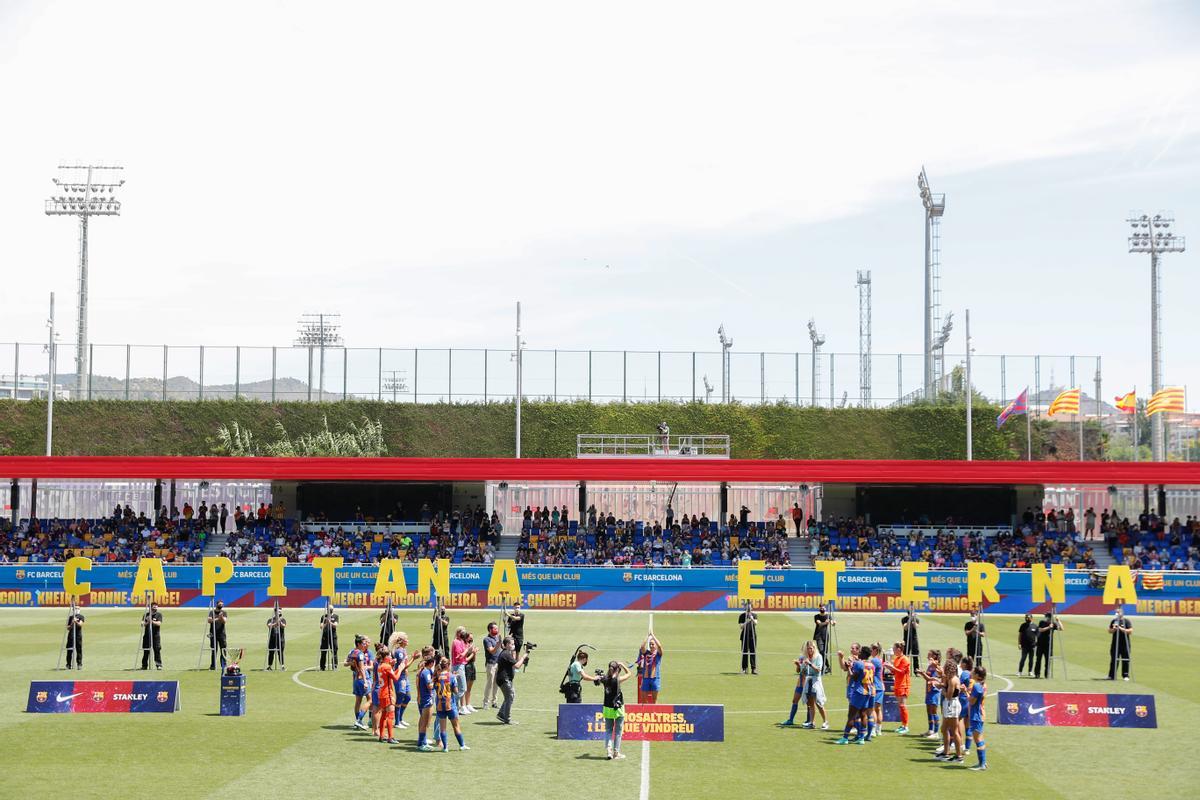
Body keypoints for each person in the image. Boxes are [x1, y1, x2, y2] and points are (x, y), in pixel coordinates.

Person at [588, 660, 633, 760]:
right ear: (617, 669)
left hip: (607, 708)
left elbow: (597, 680)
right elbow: (629, 673)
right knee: (618, 731)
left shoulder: (605, 679)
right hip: (618, 708)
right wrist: (623, 665)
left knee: (608, 731)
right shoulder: (618, 679)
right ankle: (616, 752)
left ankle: (609, 751)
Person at [782, 640, 827, 729]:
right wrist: (798, 665)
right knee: (796, 700)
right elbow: (800, 671)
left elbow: (818, 670)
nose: (808, 650)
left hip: (813, 682)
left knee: (813, 703)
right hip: (802, 682)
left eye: (810, 648)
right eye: (807, 648)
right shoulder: (802, 657)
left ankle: (810, 721)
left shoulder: (818, 657)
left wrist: (809, 664)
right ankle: (791, 720)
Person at [835, 645, 875, 745]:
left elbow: (855, 677)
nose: (859, 653)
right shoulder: (871, 664)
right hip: (868, 691)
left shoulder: (859, 663)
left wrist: (849, 668)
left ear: (863, 654)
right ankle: (861, 738)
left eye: (860, 652)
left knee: (851, 715)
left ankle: (845, 738)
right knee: (863, 714)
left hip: (859, 691)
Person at [434, 655, 469, 751]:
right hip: (450, 705)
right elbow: (456, 691)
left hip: (440, 705)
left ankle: (445, 747)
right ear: (448, 665)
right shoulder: (452, 677)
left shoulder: (437, 677)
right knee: (456, 726)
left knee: (443, 728)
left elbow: (435, 688)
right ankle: (462, 745)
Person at [495, 635, 528, 725]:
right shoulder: (505, 654)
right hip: (504, 679)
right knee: (509, 697)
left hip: (505, 679)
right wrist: (523, 657)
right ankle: (507, 719)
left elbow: (515, 664)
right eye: (512, 644)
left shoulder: (506, 653)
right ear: (507, 645)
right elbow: (517, 666)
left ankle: (501, 714)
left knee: (510, 696)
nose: (514, 645)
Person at [345, 635, 373, 730]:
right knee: (370, 700)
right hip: (361, 679)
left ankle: (358, 721)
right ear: (358, 644)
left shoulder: (352, 652)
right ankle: (359, 720)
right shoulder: (360, 654)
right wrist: (365, 681)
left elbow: (345, 663)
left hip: (356, 680)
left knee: (358, 701)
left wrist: (351, 663)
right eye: (363, 643)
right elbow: (362, 669)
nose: (365, 644)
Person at [883, 641, 911, 734]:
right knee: (900, 706)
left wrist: (892, 667)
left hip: (903, 685)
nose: (893, 651)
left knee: (903, 705)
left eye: (894, 649)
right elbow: (895, 672)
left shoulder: (905, 659)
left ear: (899, 649)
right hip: (897, 684)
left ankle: (906, 726)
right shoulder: (897, 659)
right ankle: (903, 725)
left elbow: (902, 672)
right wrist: (889, 667)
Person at [388, 631, 413, 729]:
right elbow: (404, 666)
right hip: (400, 677)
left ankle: (400, 719)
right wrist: (413, 659)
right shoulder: (399, 652)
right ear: (402, 641)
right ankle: (397, 722)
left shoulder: (403, 650)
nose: (408, 640)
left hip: (404, 677)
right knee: (400, 698)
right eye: (406, 639)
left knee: (408, 697)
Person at [967, 664, 988, 771]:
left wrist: (965, 692)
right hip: (979, 714)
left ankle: (982, 764)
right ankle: (983, 762)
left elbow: (972, 701)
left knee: (978, 739)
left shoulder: (976, 686)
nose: (971, 672)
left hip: (976, 715)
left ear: (977, 675)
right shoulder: (982, 685)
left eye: (973, 672)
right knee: (980, 738)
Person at [375, 646, 398, 744]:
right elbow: (395, 678)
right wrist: (400, 668)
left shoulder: (380, 666)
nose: (390, 657)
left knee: (384, 715)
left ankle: (381, 736)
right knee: (390, 715)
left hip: (381, 693)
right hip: (387, 693)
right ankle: (390, 737)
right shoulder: (387, 667)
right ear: (386, 657)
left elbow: (389, 675)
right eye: (389, 655)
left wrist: (392, 666)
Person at [416, 646, 437, 750]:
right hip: (427, 699)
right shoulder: (426, 672)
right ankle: (422, 744)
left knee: (424, 722)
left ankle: (421, 742)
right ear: (431, 663)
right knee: (425, 722)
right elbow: (430, 686)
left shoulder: (422, 671)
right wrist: (436, 681)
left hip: (423, 698)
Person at [920, 649, 942, 739]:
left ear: (934, 656)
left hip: (935, 691)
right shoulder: (930, 666)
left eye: (929, 655)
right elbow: (928, 678)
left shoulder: (938, 666)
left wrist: (934, 664)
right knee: (929, 710)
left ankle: (936, 732)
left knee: (934, 711)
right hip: (929, 691)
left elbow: (935, 677)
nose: (927, 656)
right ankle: (930, 730)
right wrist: (922, 673)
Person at [1033, 612, 1063, 678]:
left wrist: (1058, 621)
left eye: (1046, 616)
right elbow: (1040, 630)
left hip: (1048, 645)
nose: (1045, 617)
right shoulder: (1042, 622)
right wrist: (1049, 627)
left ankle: (1047, 674)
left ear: (1049, 617)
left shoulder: (1053, 624)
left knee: (1048, 661)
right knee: (1038, 660)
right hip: (1040, 644)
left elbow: (1061, 628)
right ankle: (1037, 674)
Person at [636, 634, 664, 703]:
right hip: (645, 679)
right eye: (650, 644)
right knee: (643, 700)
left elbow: (660, 646)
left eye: (653, 644)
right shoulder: (646, 653)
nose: (651, 646)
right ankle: (646, 712)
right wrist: (648, 636)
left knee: (654, 700)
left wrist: (653, 636)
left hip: (655, 678)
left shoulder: (658, 654)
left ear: (656, 646)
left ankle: (654, 712)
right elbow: (642, 646)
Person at [1108, 609, 1133, 680]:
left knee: (1125, 659)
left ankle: (1125, 675)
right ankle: (1111, 675)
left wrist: (1121, 628)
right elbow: (1109, 631)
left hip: (1125, 643)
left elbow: (1130, 631)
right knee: (1114, 659)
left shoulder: (1126, 621)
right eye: (1116, 612)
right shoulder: (1114, 621)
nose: (1117, 613)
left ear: (1122, 613)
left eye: (1118, 612)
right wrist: (1114, 629)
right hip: (1115, 643)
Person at [482, 622, 501, 709]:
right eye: (495, 629)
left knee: (496, 683)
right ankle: (486, 702)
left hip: (498, 663)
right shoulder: (487, 639)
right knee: (489, 683)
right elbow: (492, 651)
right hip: (491, 664)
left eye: (497, 628)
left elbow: (502, 647)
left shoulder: (497, 637)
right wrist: (498, 643)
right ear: (490, 630)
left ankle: (494, 701)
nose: (497, 630)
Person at [868, 643, 885, 739]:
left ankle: (873, 729)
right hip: (880, 686)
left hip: (875, 686)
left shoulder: (874, 660)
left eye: (871, 649)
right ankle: (879, 729)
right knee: (878, 709)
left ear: (875, 650)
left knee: (873, 709)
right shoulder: (880, 660)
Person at [140, 602, 163, 670]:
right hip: (147, 636)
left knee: (157, 650)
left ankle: (158, 665)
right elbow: (142, 624)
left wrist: (152, 621)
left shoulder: (159, 614)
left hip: (155, 636)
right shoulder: (146, 614)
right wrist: (147, 621)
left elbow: (159, 623)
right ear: (151, 608)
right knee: (146, 651)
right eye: (154, 606)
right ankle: (144, 665)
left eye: (156, 606)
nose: (155, 607)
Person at [813, 604, 835, 674]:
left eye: (823, 607)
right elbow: (819, 624)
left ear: (825, 608)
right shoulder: (816, 616)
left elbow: (832, 623)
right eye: (821, 608)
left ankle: (827, 668)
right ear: (819, 608)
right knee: (821, 651)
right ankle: (824, 667)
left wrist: (833, 622)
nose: (822, 609)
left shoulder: (828, 616)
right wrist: (826, 622)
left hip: (825, 635)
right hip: (818, 635)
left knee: (824, 653)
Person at [207, 600, 228, 671]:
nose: (221, 606)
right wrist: (217, 619)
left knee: (223, 649)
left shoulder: (224, 612)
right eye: (220, 604)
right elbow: (209, 621)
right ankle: (213, 665)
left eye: (222, 604)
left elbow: (224, 621)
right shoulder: (211, 612)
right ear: (216, 604)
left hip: (221, 633)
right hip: (213, 633)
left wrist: (221, 617)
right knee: (214, 650)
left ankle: (223, 665)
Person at [738, 604, 758, 675]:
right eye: (747, 608)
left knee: (753, 652)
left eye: (750, 607)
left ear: (752, 608)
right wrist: (746, 621)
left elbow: (756, 623)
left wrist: (751, 618)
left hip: (752, 636)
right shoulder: (742, 616)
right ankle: (744, 668)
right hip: (744, 636)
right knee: (744, 652)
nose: (749, 609)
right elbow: (741, 627)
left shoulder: (754, 615)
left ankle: (753, 669)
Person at [900, 606, 921, 673]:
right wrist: (910, 619)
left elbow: (916, 626)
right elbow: (905, 628)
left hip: (914, 640)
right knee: (905, 655)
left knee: (915, 655)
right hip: (906, 639)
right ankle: (905, 669)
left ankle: (916, 670)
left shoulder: (916, 619)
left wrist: (913, 619)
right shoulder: (904, 619)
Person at [319, 605, 340, 671]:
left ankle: (335, 666)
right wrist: (326, 623)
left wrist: (330, 622)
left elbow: (335, 625)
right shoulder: (323, 616)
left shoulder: (335, 616)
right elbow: (321, 626)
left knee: (334, 651)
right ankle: (322, 667)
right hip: (325, 636)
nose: (329, 610)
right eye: (328, 609)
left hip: (333, 636)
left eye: (331, 609)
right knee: (323, 651)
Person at [462, 632, 478, 713]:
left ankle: (468, 704)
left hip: (472, 666)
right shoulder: (464, 646)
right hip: (466, 666)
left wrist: (474, 653)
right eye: (470, 637)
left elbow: (474, 659)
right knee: (464, 687)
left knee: (469, 688)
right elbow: (465, 659)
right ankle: (463, 705)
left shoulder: (471, 645)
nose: (471, 639)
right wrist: (473, 653)